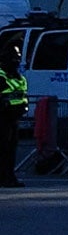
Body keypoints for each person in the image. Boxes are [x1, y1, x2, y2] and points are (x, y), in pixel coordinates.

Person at [0, 31, 25, 187]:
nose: (16, 61)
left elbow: (21, 95)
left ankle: (9, 177)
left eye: (18, 58)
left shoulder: (18, 77)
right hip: (2, 117)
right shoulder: (1, 75)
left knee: (10, 149)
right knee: (3, 149)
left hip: (13, 118)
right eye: (14, 58)